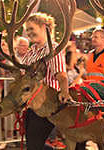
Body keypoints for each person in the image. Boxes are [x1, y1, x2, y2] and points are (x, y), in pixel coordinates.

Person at [22, 12, 71, 150]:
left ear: (44, 27)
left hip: (47, 103)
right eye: (27, 30)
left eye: (32, 29)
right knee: (32, 143)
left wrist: (64, 91)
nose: (29, 33)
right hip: (32, 104)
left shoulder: (53, 48)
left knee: (34, 144)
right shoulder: (31, 52)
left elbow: (61, 74)